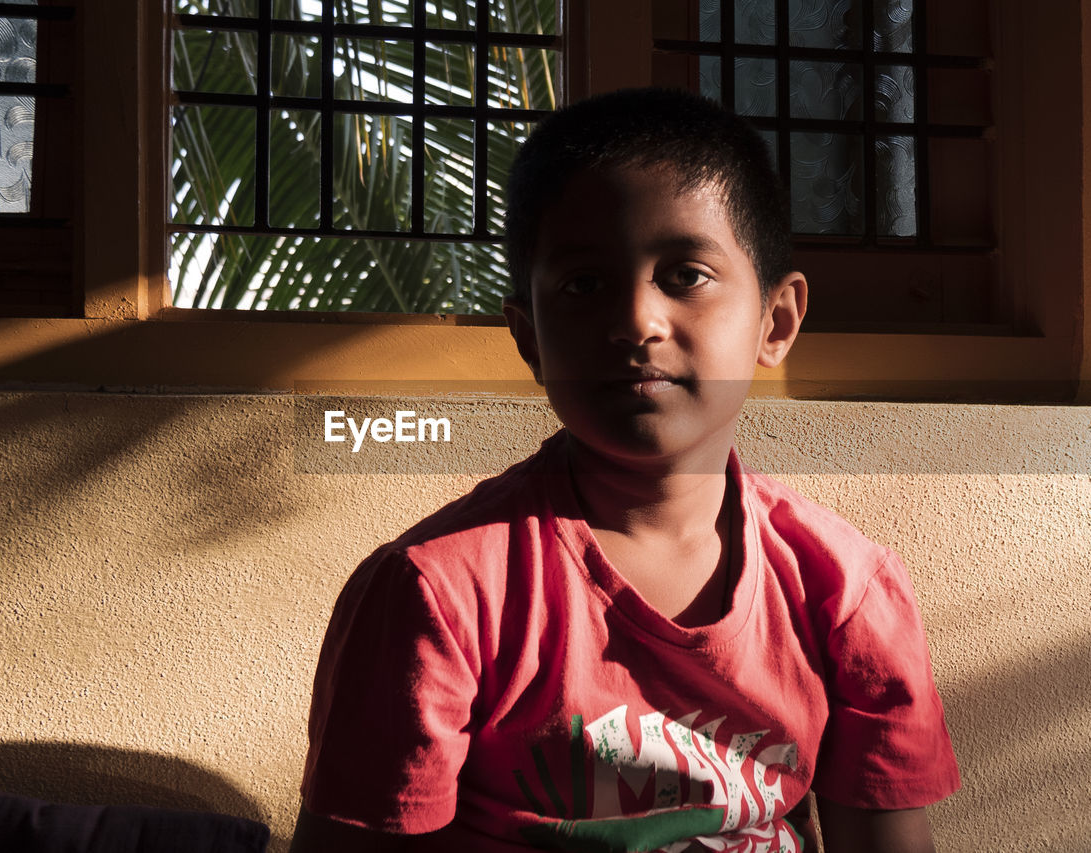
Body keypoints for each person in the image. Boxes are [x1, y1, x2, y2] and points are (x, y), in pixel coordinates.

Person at [290, 88, 960, 853]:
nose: (636, 320)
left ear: (776, 321)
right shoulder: (437, 594)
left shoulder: (847, 593)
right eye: (584, 285)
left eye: (685, 274)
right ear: (529, 338)